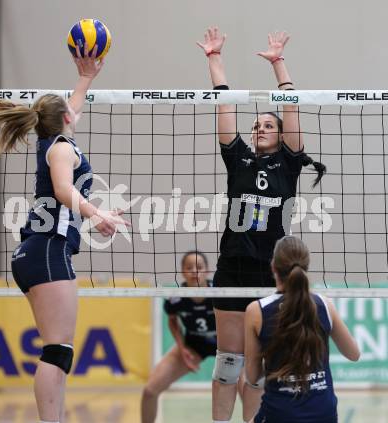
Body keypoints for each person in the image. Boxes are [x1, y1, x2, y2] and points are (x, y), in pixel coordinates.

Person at [0, 44, 129, 423]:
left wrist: (86, 77)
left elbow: (70, 106)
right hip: (46, 250)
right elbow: (62, 190)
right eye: (71, 109)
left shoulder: (54, 140)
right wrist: (96, 212)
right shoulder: (60, 148)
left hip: (40, 250)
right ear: (66, 119)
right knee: (57, 349)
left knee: (59, 350)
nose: (76, 110)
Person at [197, 28, 326, 423]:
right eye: (257, 126)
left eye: (268, 125)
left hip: (271, 273)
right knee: (228, 365)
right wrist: (214, 60)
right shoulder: (238, 159)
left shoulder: (289, 163)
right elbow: (225, 107)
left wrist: (278, 65)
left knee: (255, 374)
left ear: (281, 134)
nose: (261, 129)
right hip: (232, 266)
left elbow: (292, 109)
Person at [245, 235, 360, 423]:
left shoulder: (256, 311)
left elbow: (252, 376)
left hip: (279, 415)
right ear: (305, 266)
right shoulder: (324, 304)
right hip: (324, 414)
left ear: (273, 266)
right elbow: (354, 354)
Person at [141, 251, 243, 423]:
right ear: (182, 272)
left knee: (251, 389)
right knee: (150, 391)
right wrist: (181, 348)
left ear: (207, 271)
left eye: (199, 267)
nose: (195, 271)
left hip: (226, 344)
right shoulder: (176, 299)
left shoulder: (219, 292)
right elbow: (172, 321)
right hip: (193, 345)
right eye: (189, 268)